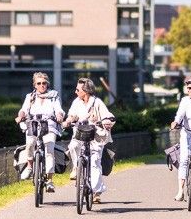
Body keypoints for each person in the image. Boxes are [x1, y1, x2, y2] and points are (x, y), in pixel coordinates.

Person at [64, 76, 116, 204]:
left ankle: (97, 192)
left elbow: (108, 115)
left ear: (85, 91)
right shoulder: (76, 102)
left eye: (78, 90)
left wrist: (107, 121)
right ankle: (76, 167)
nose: (75, 92)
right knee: (73, 146)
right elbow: (71, 115)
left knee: (94, 162)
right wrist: (68, 121)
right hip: (80, 135)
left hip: (96, 137)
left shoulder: (97, 102)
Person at [15, 72, 65, 192]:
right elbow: (24, 109)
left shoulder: (54, 96)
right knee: (30, 143)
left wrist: (59, 115)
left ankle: (50, 180)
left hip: (49, 125)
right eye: (39, 83)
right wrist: (20, 116)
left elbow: (58, 109)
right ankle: (30, 166)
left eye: (44, 83)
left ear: (47, 84)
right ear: (35, 85)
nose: (42, 85)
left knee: (49, 149)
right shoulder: (30, 97)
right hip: (33, 124)